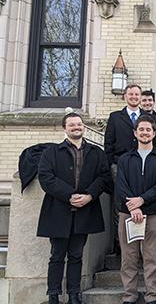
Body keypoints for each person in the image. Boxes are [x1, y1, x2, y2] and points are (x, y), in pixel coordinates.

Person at [37, 113, 112, 304]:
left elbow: (103, 177)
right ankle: (53, 294)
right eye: (72, 125)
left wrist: (89, 195)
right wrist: (69, 195)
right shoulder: (52, 152)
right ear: (65, 128)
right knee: (57, 255)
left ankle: (74, 294)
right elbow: (46, 177)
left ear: (83, 127)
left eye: (79, 124)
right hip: (58, 210)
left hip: (85, 211)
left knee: (77, 255)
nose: (76, 127)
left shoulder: (96, 152)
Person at [115, 115, 156, 304]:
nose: (145, 132)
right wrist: (133, 207)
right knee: (129, 257)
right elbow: (121, 184)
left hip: (153, 214)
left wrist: (141, 200)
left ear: (154, 134)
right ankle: (129, 295)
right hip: (127, 214)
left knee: (151, 257)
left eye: (148, 130)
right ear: (135, 133)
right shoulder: (124, 159)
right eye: (141, 129)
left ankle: (152, 296)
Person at [104, 83, 147, 253]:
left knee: (141, 200)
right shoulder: (115, 117)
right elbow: (108, 144)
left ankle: (141, 243)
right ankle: (119, 244)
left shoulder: (146, 116)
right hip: (119, 165)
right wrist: (110, 166)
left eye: (137, 95)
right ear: (125, 96)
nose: (134, 97)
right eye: (131, 94)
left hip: (142, 164)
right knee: (120, 203)